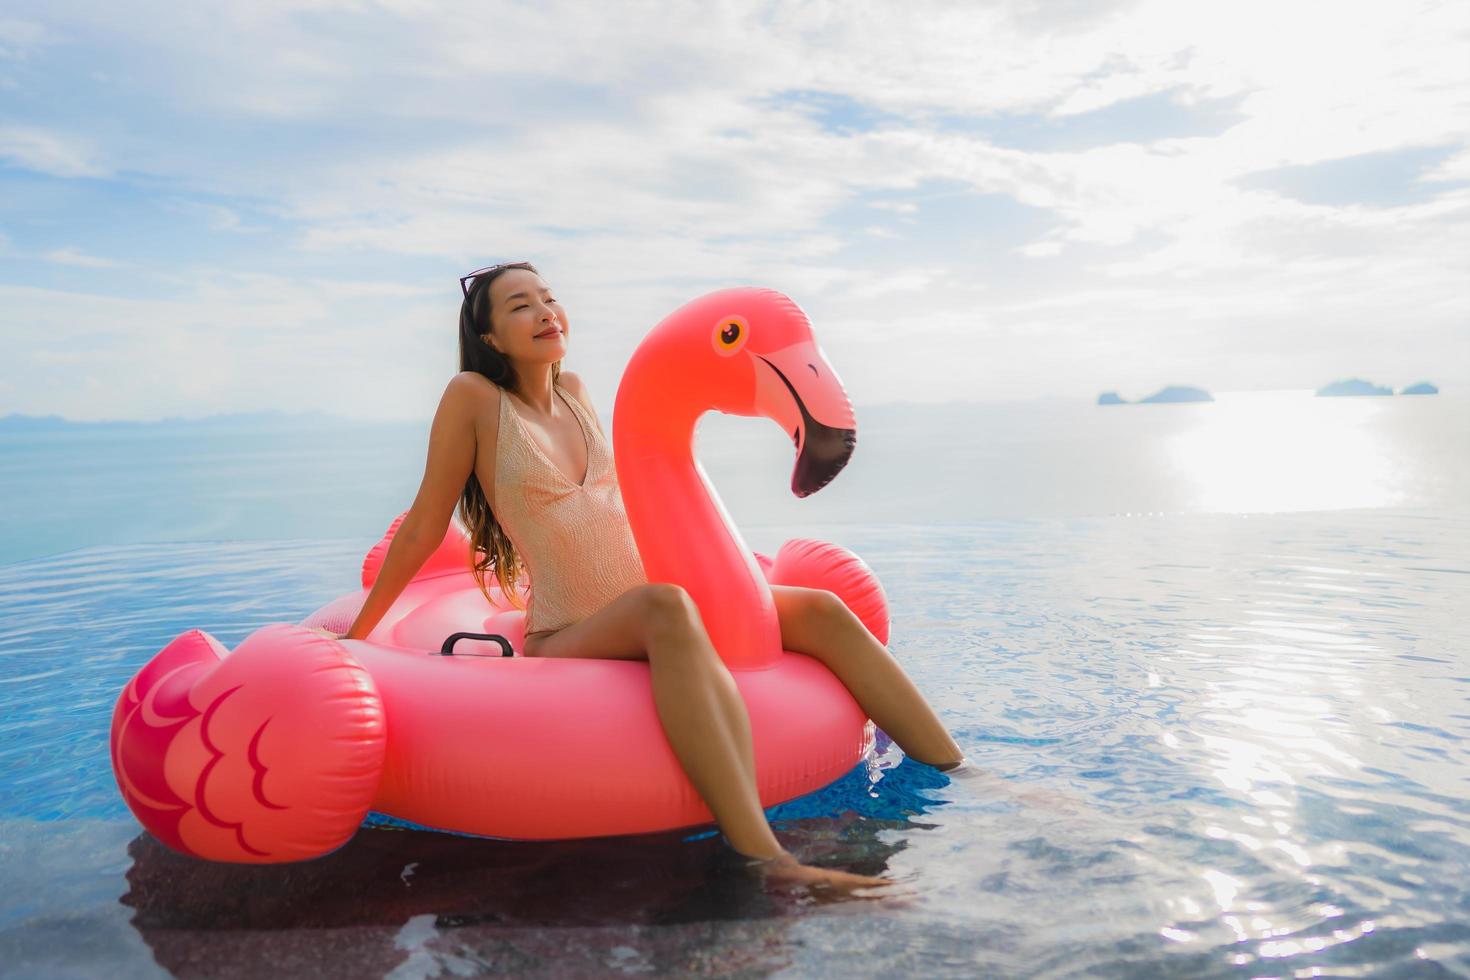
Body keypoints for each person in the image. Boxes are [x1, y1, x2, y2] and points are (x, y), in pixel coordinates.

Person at [315, 261, 967, 896]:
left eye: (547, 298)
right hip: (569, 626)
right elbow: (426, 524)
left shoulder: (575, 392)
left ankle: (960, 769)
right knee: (666, 608)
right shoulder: (474, 399)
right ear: (488, 338)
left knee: (818, 609)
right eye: (520, 306)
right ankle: (763, 856)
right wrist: (364, 635)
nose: (545, 312)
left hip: (650, 599)